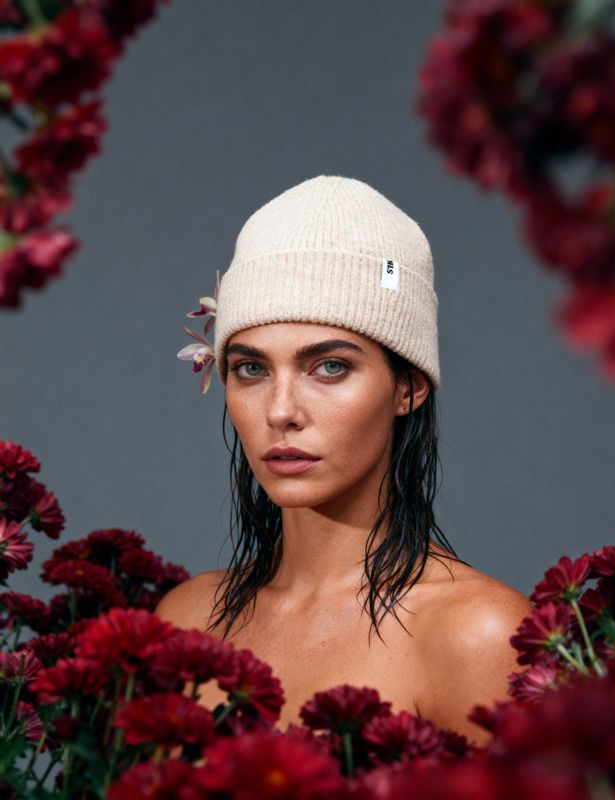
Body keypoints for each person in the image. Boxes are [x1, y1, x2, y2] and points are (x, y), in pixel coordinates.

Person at [156, 174, 533, 744]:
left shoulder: (479, 636)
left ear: (409, 386)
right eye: (251, 368)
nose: (281, 410)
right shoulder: (185, 624)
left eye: (330, 366)